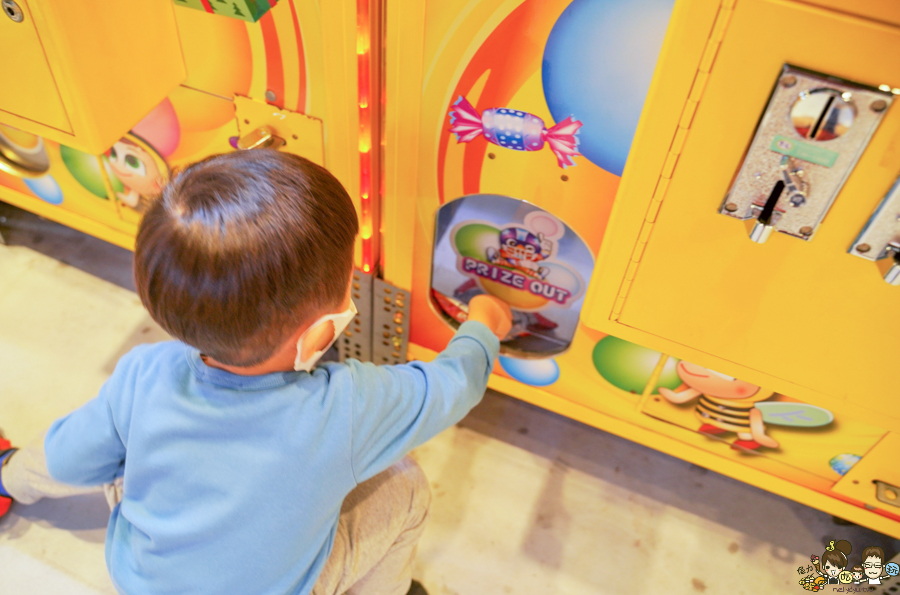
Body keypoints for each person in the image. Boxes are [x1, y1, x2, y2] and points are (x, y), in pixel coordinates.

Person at [0, 150, 513, 595]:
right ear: (317, 336)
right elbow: (454, 385)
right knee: (403, 485)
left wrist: (14, 474)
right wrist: (484, 326)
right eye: (348, 286)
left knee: (113, 446)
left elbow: (68, 458)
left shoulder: (143, 372)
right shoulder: (347, 408)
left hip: (140, 582)